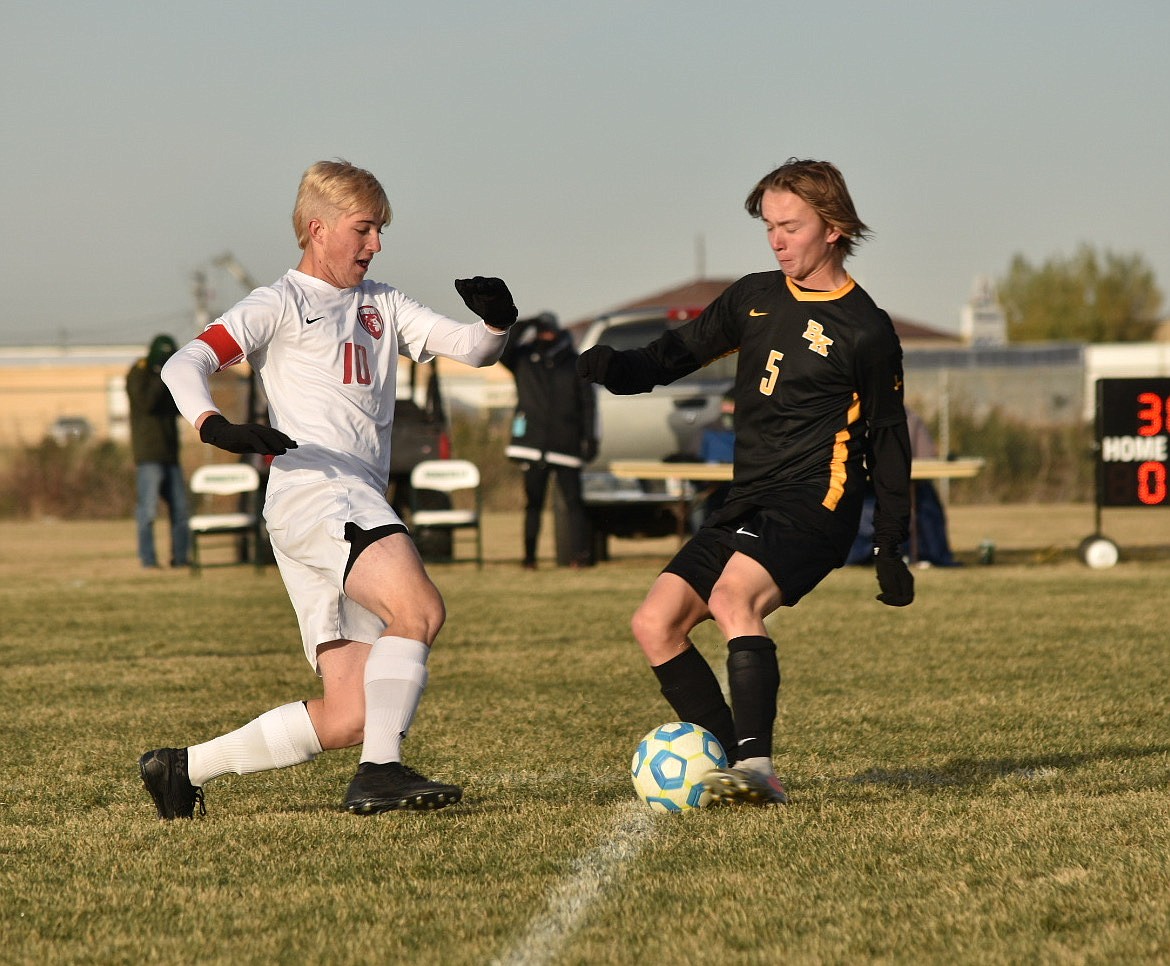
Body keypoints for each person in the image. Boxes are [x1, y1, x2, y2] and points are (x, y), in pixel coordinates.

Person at [138, 159, 519, 819]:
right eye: (364, 230)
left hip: (333, 509)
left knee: (351, 713)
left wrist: (497, 322)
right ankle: (381, 771)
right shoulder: (279, 303)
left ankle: (181, 768)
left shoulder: (384, 304)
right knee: (420, 610)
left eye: (379, 231)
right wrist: (214, 425)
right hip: (319, 496)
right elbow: (185, 362)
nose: (375, 245)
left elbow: (474, 350)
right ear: (318, 229)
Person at [578, 158, 914, 806]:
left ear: (835, 227)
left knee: (735, 599)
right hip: (748, 501)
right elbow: (668, 356)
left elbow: (890, 440)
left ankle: (758, 767)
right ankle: (732, 769)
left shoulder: (866, 329)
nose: (777, 240)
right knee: (655, 623)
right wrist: (609, 367)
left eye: (790, 226)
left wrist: (892, 544)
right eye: (769, 227)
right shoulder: (754, 297)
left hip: (818, 505)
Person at [500, 312, 597, 568]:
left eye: (548, 330)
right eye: (540, 331)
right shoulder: (523, 358)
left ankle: (580, 556)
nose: (544, 336)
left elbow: (588, 404)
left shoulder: (574, 363)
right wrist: (524, 324)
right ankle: (529, 557)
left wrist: (590, 438)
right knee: (533, 503)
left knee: (574, 503)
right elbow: (502, 349)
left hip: (566, 444)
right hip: (532, 445)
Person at [126, 334, 189, 569]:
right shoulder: (139, 372)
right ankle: (149, 560)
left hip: (171, 455)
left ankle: (181, 559)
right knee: (148, 511)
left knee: (181, 511)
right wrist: (159, 375)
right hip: (148, 456)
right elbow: (146, 403)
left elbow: (179, 407)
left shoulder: (169, 377)